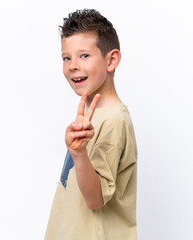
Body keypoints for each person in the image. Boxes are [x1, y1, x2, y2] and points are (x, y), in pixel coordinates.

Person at [45, 9, 138, 240]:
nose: (73, 65)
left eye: (84, 55)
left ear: (111, 60)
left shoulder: (114, 120)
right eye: (67, 58)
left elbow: (95, 199)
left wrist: (78, 154)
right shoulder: (92, 115)